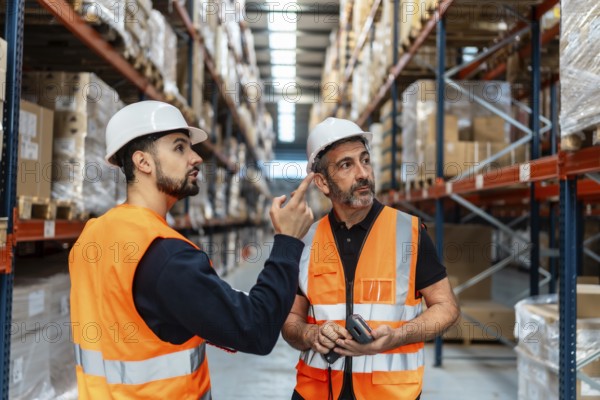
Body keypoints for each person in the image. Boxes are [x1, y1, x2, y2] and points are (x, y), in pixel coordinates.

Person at [69, 100, 314, 399]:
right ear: (143, 162)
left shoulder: (91, 238)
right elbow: (256, 329)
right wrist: (287, 241)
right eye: (180, 147)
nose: (196, 158)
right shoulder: (165, 256)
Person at [282, 117, 460, 400]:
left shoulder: (409, 233)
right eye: (346, 165)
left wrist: (398, 337)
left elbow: (447, 308)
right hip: (316, 393)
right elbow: (291, 321)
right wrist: (310, 335)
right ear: (322, 182)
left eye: (365, 160)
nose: (363, 173)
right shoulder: (306, 240)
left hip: (390, 394)